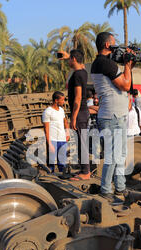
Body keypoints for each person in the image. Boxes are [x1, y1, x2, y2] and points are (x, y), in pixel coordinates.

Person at [91, 32, 135, 200]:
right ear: (108, 45)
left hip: (115, 115)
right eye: (115, 44)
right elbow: (125, 85)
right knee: (112, 155)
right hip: (112, 117)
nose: (117, 47)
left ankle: (120, 186)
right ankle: (106, 190)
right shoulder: (105, 64)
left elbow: (124, 82)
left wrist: (129, 66)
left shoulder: (102, 63)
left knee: (120, 154)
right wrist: (127, 66)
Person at [58, 49, 91, 181]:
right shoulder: (82, 71)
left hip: (80, 112)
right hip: (83, 112)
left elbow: (77, 98)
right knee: (80, 142)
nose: (68, 62)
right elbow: (80, 64)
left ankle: (86, 172)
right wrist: (68, 57)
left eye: (70, 59)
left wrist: (74, 117)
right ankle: (84, 169)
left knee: (81, 143)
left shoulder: (77, 75)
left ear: (74, 59)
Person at [42, 91, 70, 173]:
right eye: (62, 100)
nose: (64, 102)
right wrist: (49, 143)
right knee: (51, 162)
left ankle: (62, 177)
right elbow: (46, 129)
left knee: (62, 161)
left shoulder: (61, 110)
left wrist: (67, 132)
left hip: (62, 139)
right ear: (56, 100)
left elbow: (65, 122)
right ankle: (51, 178)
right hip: (53, 140)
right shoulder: (47, 112)